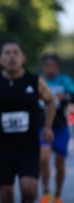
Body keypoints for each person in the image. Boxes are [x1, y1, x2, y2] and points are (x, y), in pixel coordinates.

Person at [0, 40, 56, 203]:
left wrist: (48, 127)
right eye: (7, 53)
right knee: (6, 196)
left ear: (23, 58)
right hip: (3, 149)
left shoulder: (34, 81)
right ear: (0, 59)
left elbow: (51, 101)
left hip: (29, 148)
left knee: (29, 190)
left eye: (15, 53)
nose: (12, 56)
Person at [38, 54, 74, 203]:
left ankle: (58, 194)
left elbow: (72, 95)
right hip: (42, 126)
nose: (50, 69)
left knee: (60, 163)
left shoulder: (64, 80)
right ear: (43, 67)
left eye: (53, 66)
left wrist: (65, 96)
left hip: (60, 127)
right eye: (47, 66)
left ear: (57, 67)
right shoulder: (39, 81)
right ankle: (46, 192)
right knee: (44, 157)